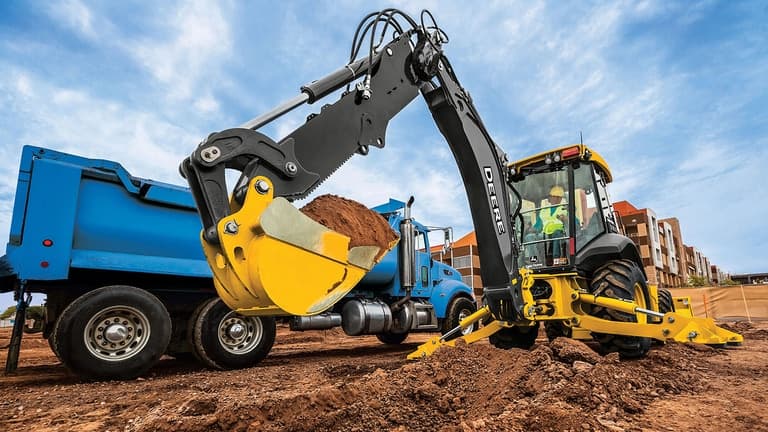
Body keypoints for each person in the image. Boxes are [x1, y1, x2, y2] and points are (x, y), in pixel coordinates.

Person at [535, 185, 568, 265]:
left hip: (560, 233)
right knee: (530, 237)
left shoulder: (565, 209)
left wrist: (566, 219)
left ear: (561, 199)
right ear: (550, 197)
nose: (556, 199)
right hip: (545, 234)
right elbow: (538, 226)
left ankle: (556, 260)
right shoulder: (544, 210)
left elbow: (575, 224)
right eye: (554, 196)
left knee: (557, 234)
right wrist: (529, 229)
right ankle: (537, 262)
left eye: (558, 197)